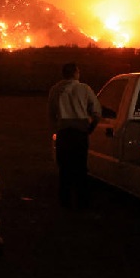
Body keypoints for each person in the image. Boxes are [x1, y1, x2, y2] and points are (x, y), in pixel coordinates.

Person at [48, 62, 102, 209]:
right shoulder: (84, 89)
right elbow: (97, 112)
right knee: (80, 168)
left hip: (63, 134)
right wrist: (90, 128)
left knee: (64, 168)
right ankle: (82, 202)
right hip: (80, 134)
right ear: (76, 73)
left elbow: (52, 114)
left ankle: (65, 202)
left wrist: (58, 127)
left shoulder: (55, 90)